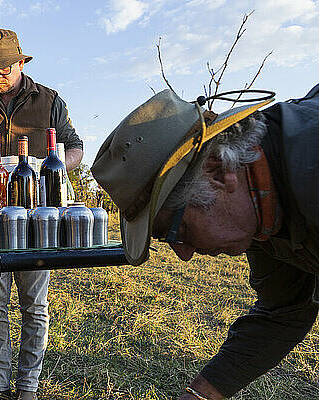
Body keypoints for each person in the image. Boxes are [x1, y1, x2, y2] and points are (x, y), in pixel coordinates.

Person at [92, 83, 319, 399]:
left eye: (178, 230)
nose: (184, 255)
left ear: (218, 171)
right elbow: (282, 312)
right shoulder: (255, 203)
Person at [0, 29, 83, 400]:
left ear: (21, 62)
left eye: (4, 68)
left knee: (34, 307)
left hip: (37, 223)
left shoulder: (51, 101)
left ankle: (27, 388)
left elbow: (75, 148)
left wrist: (52, 166)